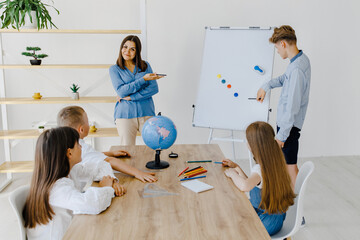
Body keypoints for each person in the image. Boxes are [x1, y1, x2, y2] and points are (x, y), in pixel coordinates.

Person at [23, 127, 125, 240]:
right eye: (78, 144)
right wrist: (106, 187)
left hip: (72, 230)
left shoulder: (69, 170)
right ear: (69, 152)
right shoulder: (57, 188)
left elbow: (101, 165)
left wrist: (112, 181)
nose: (81, 147)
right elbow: (93, 204)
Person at [257, 25, 311, 190]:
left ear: (283, 44)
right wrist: (267, 85)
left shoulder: (296, 69)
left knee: (290, 168)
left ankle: (295, 207)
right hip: (288, 126)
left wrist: (282, 135)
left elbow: (292, 107)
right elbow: (283, 79)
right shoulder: (299, 61)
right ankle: (293, 201)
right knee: (289, 166)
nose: (277, 51)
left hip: (288, 127)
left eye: (276, 47)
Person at [223, 121, 295, 236]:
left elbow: (245, 186)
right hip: (277, 217)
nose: (247, 143)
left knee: (232, 226)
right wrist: (237, 167)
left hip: (266, 221)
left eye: (248, 140)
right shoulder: (275, 161)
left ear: (254, 145)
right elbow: (253, 183)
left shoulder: (260, 169)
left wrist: (232, 174)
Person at [57, 106, 157, 183]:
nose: (90, 124)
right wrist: (138, 173)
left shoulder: (65, 144)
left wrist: (110, 153)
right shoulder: (82, 146)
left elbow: (86, 156)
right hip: (91, 185)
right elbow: (110, 161)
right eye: (87, 122)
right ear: (81, 129)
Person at [109, 35, 164, 146]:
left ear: (137, 51)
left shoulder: (145, 66)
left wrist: (132, 97)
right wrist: (143, 79)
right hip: (125, 115)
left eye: (132, 49)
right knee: (127, 151)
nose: (127, 51)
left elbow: (154, 88)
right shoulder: (114, 69)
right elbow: (121, 92)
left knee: (153, 147)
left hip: (147, 113)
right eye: (125, 47)